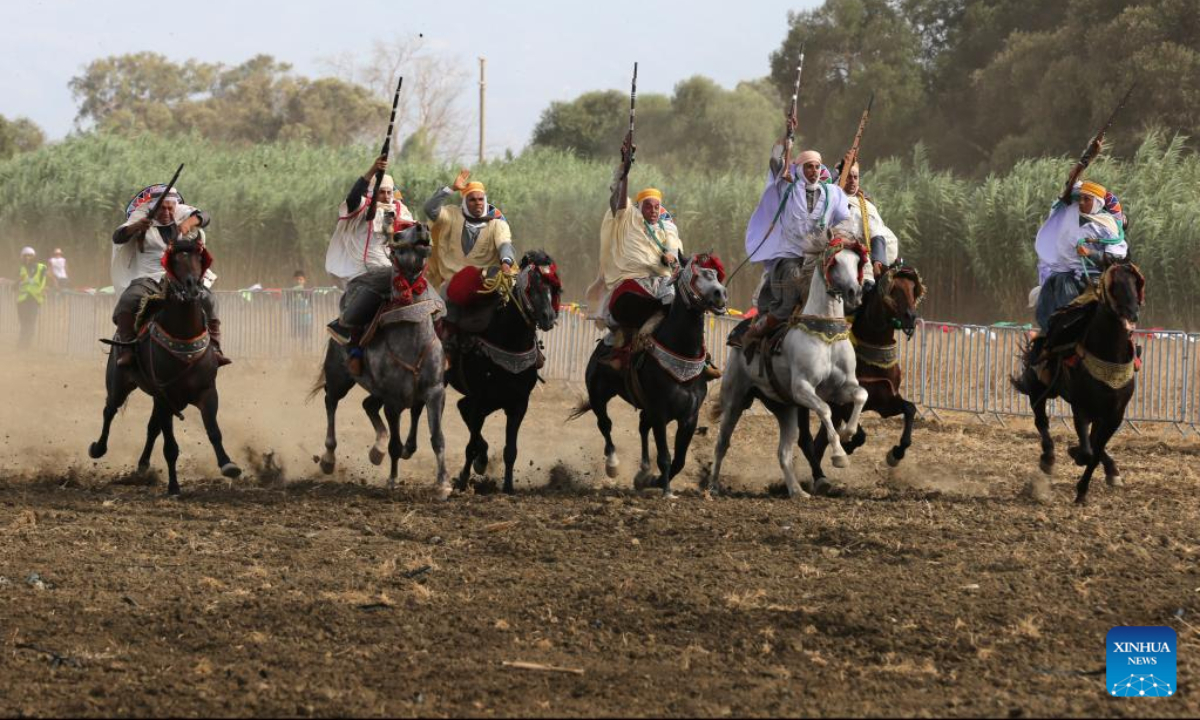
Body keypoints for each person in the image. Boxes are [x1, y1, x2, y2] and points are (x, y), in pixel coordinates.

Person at [738, 140, 851, 347]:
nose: (814, 171)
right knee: (790, 293)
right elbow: (775, 163)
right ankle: (756, 332)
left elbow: (845, 217)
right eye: (808, 166)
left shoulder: (832, 194)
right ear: (799, 169)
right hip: (789, 259)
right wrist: (786, 139)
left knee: (846, 282)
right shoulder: (787, 187)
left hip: (817, 259)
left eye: (817, 166)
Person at [584, 133, 683, 367]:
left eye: (657, 206)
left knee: (689, 307)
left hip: (663, 280)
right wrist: (625, 167)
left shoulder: (667, 225)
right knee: (631, 305)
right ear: (640, 207)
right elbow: (618, 196)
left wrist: (670, 255)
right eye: (649, 206)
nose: (654, 210)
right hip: (633, 281)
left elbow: (673, 245)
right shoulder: (628, 217)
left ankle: (700, 358)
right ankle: (619, 349)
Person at [111, 185, 230, 367]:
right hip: (148, 277)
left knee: (209, 299)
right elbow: (118, 237)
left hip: (178, 278)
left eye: (170, 207)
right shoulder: (139, 217)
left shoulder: (183, 214)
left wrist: (189, 223)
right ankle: (127, 351)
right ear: (152, 207)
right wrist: (136, 227)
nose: (166, 212)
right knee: (128, 300)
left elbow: (205, 216)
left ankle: (215, 348)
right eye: (161, 208)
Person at [324, 155, 422, 375]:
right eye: (381, 191)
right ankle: (345, 326)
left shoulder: (401, 210)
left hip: (394, 266)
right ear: (373, 192)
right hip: (363, 268)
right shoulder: (361, 207)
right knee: (389, 278)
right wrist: (371, 171)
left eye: (389, 192)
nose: (386, 196)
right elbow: (352, 197)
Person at [1032, 179, 1126, 335]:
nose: (1081, 202)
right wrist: (1078, 170)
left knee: (1120, 308)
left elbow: (1117, 256)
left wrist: (1091, 254)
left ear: (1097, 202)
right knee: (1045, 311)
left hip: (1095, 278)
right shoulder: (1069, 209)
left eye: (1087, 199)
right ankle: (1045, 346)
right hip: (1063, 274)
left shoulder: (1107, 225)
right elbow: (1070, 186)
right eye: (1080, 198)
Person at [423, 169, 516, 289]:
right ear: (465, 202)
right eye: (472, 200)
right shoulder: (452, 215)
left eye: (481, 199)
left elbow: (504, 244)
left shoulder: (497, 224)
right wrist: (451, 188)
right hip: (451, 285)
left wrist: (506, 263)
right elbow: (430, 209)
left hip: (484, 284)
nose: (478, 203)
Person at [831, 162, 899, 286]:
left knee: (870, 287)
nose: (852, 181)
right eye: (848, 177)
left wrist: (877, 262)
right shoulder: (828, 200)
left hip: (860, 252)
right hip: (832, 250)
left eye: (855, 177)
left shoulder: (866, 206)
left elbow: (876, 233)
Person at [16, 247, 47, 348]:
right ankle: (22, 343)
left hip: (34, 298)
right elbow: (16, 283)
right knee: (24, 323)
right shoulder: (21, 268)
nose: (27, 258)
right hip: (22, 299)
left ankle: (26, 344)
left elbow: (46, 278)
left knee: (30, 322)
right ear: (22, 257)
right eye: (25, 256)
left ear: (34, 257)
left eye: (30, 256)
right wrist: (16, 283)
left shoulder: (42, 268)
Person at [288, 270, 313, 341]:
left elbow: (312, 306)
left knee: (306, 337)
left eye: (301, 279)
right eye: (297, 280)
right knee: (295, 337)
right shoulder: (291, 292)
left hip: (306, 320)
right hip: (295, 320)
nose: (299, 281)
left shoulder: (308, 291)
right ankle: (296, 350)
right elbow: (288, 306)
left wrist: (306, 311)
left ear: (305, 280)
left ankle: (307, 349)